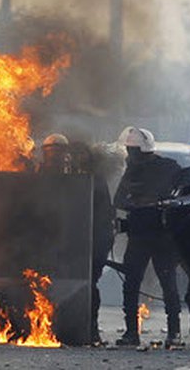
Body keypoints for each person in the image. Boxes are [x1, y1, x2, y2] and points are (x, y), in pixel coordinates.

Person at [113, 126, 183, 348]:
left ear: (143, 150)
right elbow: (119, 200)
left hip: (161, 236)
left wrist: (153, 201)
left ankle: (174, 333)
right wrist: (136, 202)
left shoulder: (168, 168)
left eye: (132, 150)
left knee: (167, 284)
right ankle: (132, 333)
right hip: (139, 235)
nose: (129, 154)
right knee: (132, 284)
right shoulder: (132, 171)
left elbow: (182, 192)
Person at [69, 140, 115, 345]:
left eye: (81, 154)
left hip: (95, 239)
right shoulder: (67, 178)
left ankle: (92, 329)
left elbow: (104, 214)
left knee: (90, 283)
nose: (78, 158)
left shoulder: (96, 181)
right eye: (75, 154)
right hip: (70, 240)